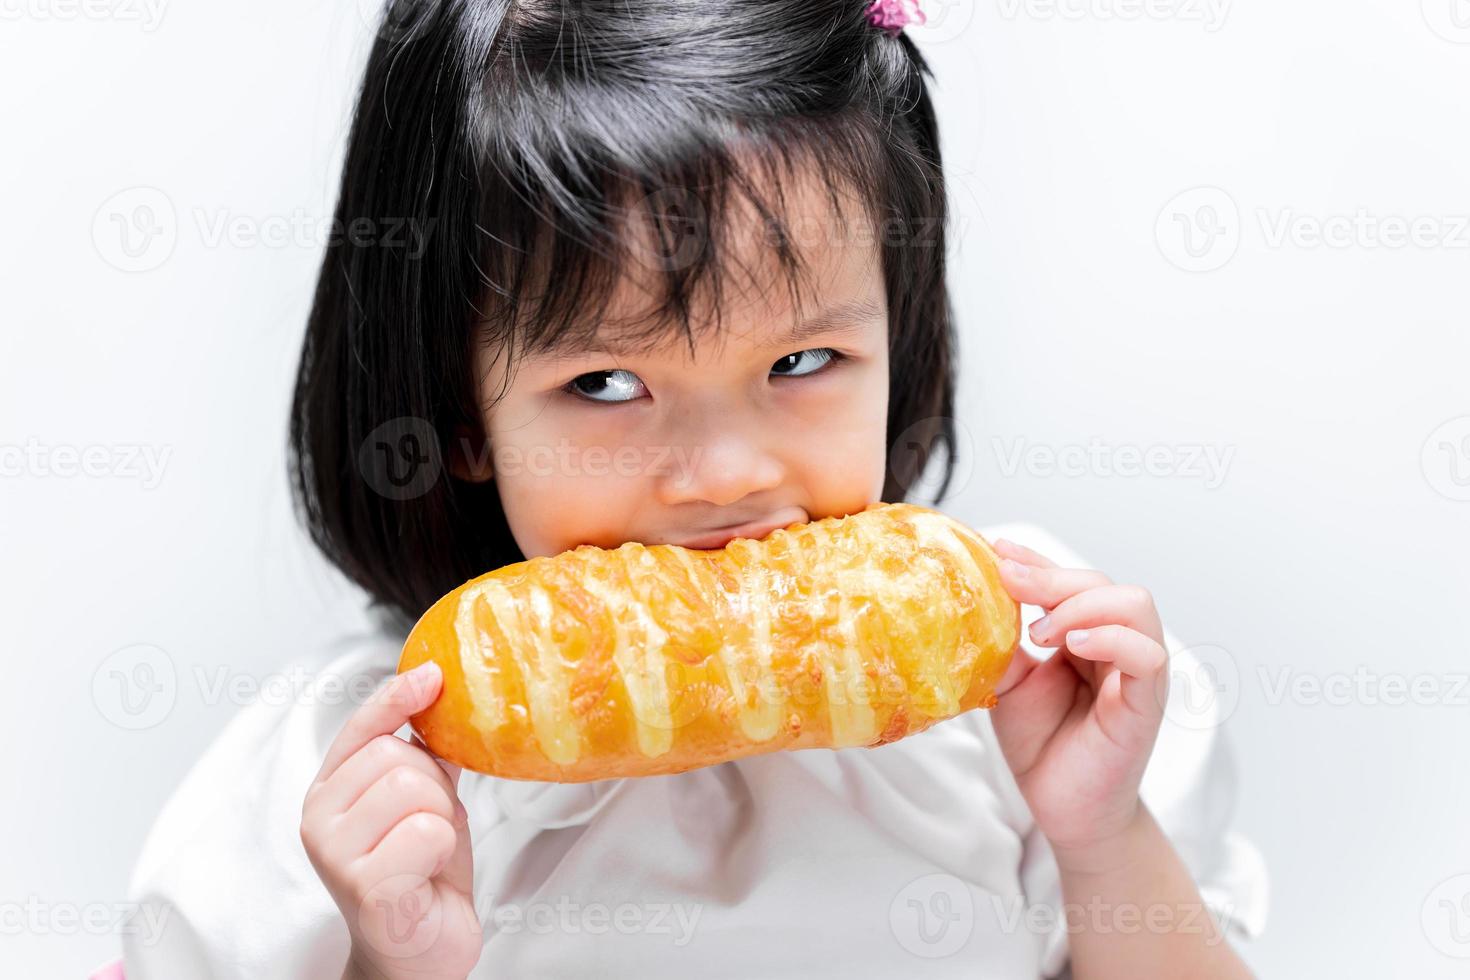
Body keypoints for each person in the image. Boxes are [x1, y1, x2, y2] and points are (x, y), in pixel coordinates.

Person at [120, 2, 1268, 977]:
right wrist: (387, 959)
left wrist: (1104, 833)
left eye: (802, 363)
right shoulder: (334, 784)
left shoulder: (1022, 691)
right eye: (608, 382)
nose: (724, 473)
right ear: (462, 416)